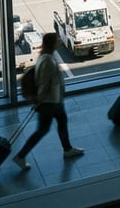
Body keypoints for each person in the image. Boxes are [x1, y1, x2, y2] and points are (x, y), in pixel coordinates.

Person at [13, 33, 84, 170]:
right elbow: (44, 83)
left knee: (61, 122)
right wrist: (38, 100)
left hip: (54, 101)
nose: (59, 42)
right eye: (57, 41)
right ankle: (20, 156)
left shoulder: (46, 57)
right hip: (49, 102)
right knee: (42, 130)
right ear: (52, 43)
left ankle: (67, 149)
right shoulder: (47, 60)